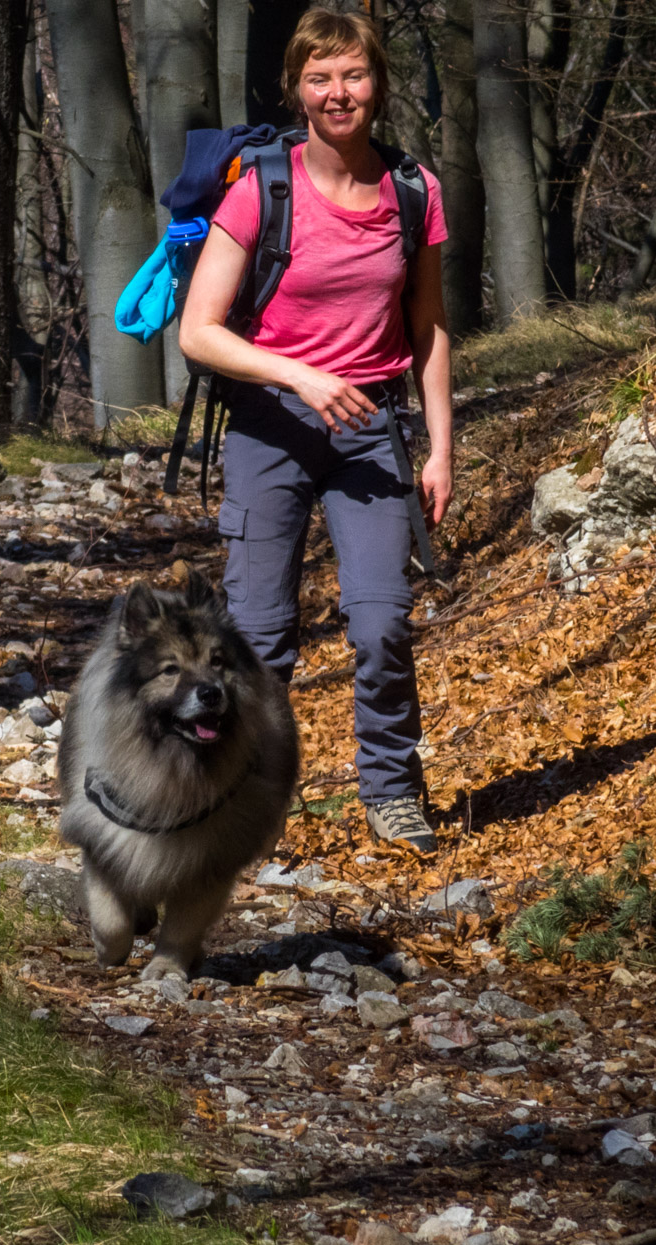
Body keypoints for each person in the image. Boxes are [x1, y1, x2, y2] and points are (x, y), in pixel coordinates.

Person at [179, 6, 453, 853]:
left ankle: (394, 793)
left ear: (378, 84)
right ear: (297, 90)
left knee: (381, 625)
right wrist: (299, 373)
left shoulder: (414, 191)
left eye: (355, 75)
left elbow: (430, 327)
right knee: (258, 641)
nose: (340, 93)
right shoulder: (263, 187)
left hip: (370, 429)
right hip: (270, 426)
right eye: (321, 78)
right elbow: (200, 329)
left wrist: (443, 448)